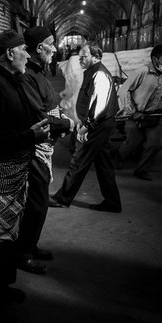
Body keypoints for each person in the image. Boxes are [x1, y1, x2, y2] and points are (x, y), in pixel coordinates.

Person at [0, 30, 49, 323]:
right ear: (9, 54)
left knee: (6, 236)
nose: (28, 56)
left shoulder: (10, 81)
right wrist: (30, 135)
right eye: (23, 51)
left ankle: (0, 287)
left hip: (13, 169)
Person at [17, 27, 73, 275]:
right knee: (36, 203)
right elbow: (39, 115)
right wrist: (67, 124)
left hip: (44, 145)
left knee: (39, 202)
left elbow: (51, 104)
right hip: (32, 148)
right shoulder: (27, 75)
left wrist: (60, 117)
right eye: (51, 44)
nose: (55, 49)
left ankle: (31, 243)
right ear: (39, 48)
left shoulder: (39, 72)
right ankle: (23, 252)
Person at [50, 43, 122, 213]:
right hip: (100, 124)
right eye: (80, 55)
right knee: (103, 164)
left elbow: (100, 105)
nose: (81, 59)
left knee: (79, 160)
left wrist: (87, 125)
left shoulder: (99, 74)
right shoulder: (92, 72)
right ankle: (113, 203)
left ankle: (63, 198)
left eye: (85, 55)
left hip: (98, 125)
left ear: (96, 57)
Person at [115, 44, 162, 181]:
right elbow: (124, 91)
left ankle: (141, 170)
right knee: (132, 143)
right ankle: (118, 158)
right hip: (138, 116)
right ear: (155, 59)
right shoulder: (142, 72)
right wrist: (133, 112)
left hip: (156, 116)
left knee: (155, 145)